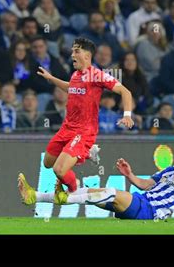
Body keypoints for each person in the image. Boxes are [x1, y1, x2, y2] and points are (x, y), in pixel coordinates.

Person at [18, 147, 174, 221]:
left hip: (149, 212)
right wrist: (130, 174)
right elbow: (145, 184)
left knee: (110, 192)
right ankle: (35, 197)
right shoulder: (169, 170)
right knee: (91, 192)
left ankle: (58, 198)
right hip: (141, 202)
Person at [35, 37, 134, 194]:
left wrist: (127, 115)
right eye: (72, 51)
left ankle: (74, 188)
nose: (72, 55)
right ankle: (87, 152)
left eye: (76, 51)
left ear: (87, 56)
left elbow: (125, 91)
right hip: (66, 128)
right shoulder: (75, 75)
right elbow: (71, 88)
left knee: (59, 170)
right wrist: (51, 79)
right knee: (47, 163)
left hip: (83, 131)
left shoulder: (97, 75)